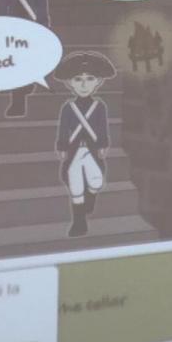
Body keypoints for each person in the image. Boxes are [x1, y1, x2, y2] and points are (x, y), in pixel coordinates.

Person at [53, 51, 116, 237]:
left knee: (96, 181)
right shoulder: (68, 108)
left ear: (98, 82)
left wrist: (103, 144)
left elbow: (102, 128)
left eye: (90, 79)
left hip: (92, 149)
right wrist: (62, 146)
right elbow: (63, 129)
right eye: (78, 79)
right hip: (74, 151)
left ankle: (90, 198)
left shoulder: (99, 106)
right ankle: (79, 222)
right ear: (70, 83)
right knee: (75, 186)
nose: (83, 84)